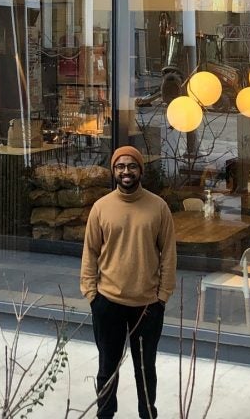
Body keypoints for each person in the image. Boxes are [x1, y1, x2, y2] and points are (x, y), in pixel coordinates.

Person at [80, 146, 177, 419]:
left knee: (145, 370)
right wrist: (91, 294)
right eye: (120, 166)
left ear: (140, 170)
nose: (126, 171)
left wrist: (162, 296)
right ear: (113, 170)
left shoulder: (158, 207)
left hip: (147, 306)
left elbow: (169, 254)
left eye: (131, 166)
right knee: (107, 368)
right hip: (107, 302)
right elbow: (90, 252)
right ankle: (105, 415)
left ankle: (147, 414)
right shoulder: (101, 208)